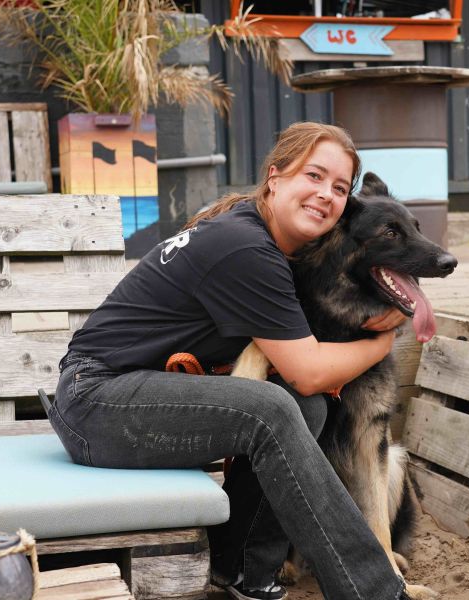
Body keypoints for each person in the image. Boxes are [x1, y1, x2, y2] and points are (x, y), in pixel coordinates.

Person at [51, 122, 414, 600]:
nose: (326, 194)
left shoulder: (265, 239)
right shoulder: (245, 248)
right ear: (276, 177)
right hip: (96, 401)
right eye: (314, 176)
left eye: (340, 187)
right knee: (279, 406)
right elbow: (308, 371)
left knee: (305, 409)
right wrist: (382, 343)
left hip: (127, 395)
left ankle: (241, 567)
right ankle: (375, 591)